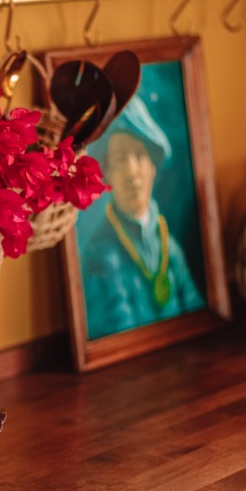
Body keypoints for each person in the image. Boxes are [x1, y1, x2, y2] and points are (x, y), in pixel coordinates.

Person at [78, 95, 205, 340]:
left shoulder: (168, 243)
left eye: (139, 156)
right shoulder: (99, 253)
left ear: (153, 167)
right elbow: (114, 331)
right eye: (120, 159)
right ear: (108, 174)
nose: (132, 172)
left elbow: (192, 305)